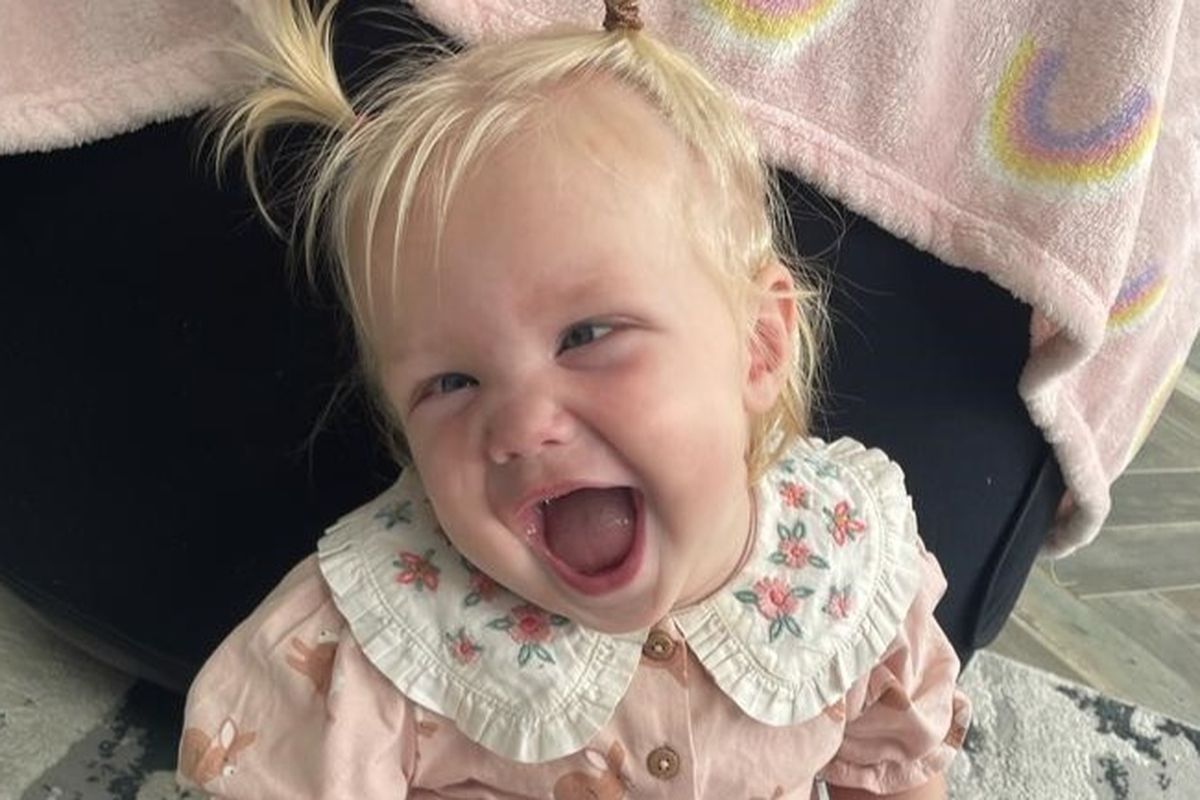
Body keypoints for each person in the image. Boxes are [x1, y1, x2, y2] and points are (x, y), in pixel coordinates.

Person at [177, 0, 970, 796]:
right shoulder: (381, 633)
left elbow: (892, 770)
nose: (521, 427)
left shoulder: (842, 567)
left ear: (758, 345)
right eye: (450, 383)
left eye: (586, 336)